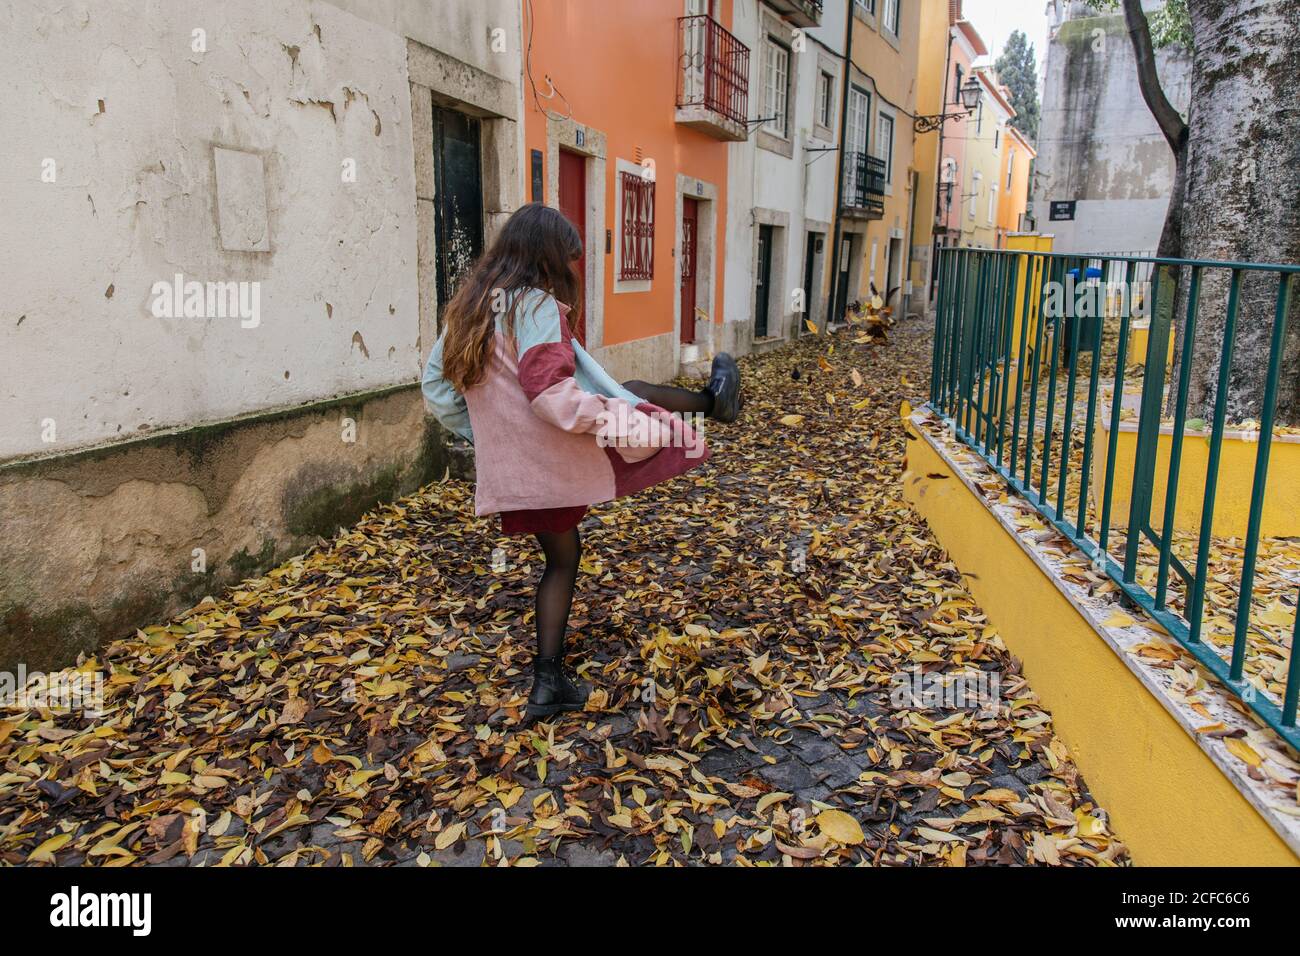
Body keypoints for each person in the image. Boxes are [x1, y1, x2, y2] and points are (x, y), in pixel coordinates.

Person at [422, 203, 742, 721]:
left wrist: (492, 435)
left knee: (631, 395)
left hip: (522, 465)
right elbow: (551, 396)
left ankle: (714, 399)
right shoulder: (536, 307)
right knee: (565, 558)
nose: (570, 271)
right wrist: (618, 425)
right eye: (566, 260)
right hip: (553, 456)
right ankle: (546, 682)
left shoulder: (471, 307)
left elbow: (436, 388)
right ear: (545, 258)